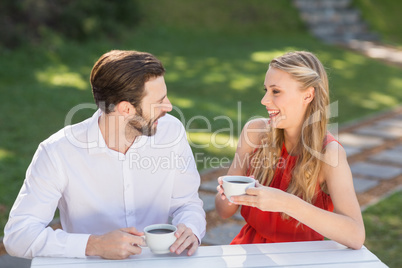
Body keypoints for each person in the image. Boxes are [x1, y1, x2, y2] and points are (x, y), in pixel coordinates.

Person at [4, 50, 206, 259]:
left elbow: (187, 203)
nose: (169, 107)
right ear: (126, 109)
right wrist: (94, 245)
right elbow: (18, 236)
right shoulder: (57, 152)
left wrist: (191, 228)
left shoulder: (171, 132)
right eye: (160, 101)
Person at [215, 51, 365, 249]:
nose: (264, 100)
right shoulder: (255, 133)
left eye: (275, 91)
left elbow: (355, 235)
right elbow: (224, 211)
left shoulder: (329, 153)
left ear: (308, 95)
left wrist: (285, 203)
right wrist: (227, 194)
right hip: (249, 251)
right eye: (266, 90)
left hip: (302, 257)